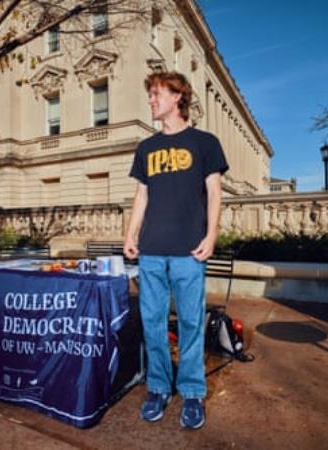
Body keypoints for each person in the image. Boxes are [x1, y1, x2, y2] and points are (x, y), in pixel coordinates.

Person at [124, 71, 228, 429]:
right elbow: (142, 195)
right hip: (151, 250)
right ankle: (158, 387)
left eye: (157, 94)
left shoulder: (205, 142)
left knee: (190, 323)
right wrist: (131, 233)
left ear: (177, 97)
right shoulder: (146, 148)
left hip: (189, 251)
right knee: (152, 323)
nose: (151, 100)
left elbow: (214, 193)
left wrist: (211, 234)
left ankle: (193, 393)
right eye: (150, 94)